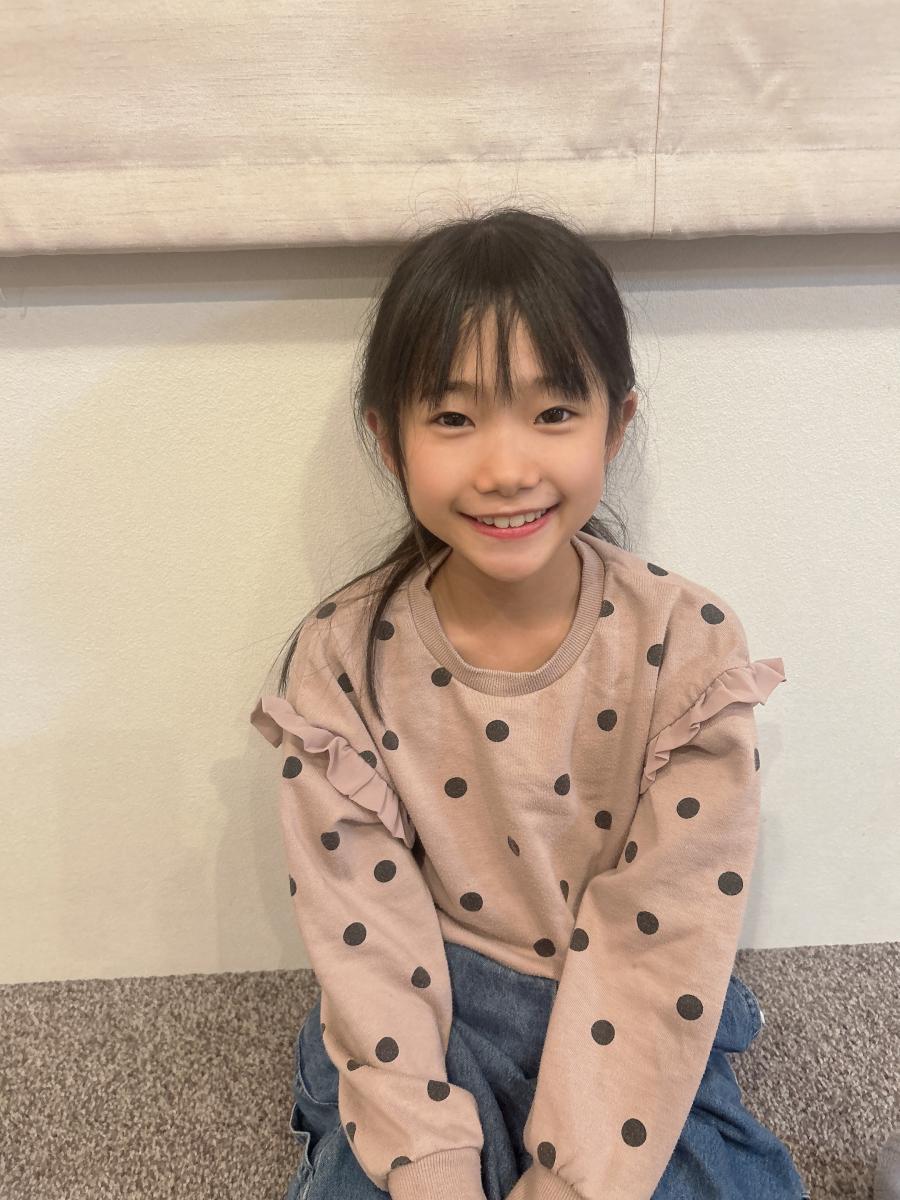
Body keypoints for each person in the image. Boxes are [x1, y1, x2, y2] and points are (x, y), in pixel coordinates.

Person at [250, 206, 811, 1200]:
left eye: (553, 414)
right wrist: (430, 1161)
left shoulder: (689, 644)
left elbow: (663, 928)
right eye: (453, 418)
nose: (507, 469)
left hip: (631, 1004)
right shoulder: (340, 659)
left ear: (616, 425)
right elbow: (365, 934)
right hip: (433, 1009)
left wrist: (575, 1180)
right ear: (388, 438)